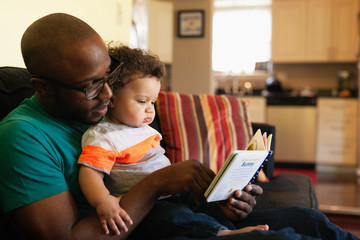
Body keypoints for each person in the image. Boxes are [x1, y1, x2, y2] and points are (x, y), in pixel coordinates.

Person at [0, 12, 358, 240]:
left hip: (184, 212)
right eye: (91, 86)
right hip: (152, 228)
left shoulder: (104, 112)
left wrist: (223, 200)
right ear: (41, 87)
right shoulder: (23, 136)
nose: (108, 93)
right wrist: (158, 184)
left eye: (108, 77)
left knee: (310, 220)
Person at [77, 44, 269, 238]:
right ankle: (222, 234)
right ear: (112, 98)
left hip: (172, 194)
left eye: (152, 102)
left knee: (202, 205)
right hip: (148, 207)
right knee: (174, 216)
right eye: (142, 101)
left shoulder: (142, 129)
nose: (150, 109)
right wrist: (103, 201)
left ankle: (227, 226)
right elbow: (90, 173)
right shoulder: (105, 136)